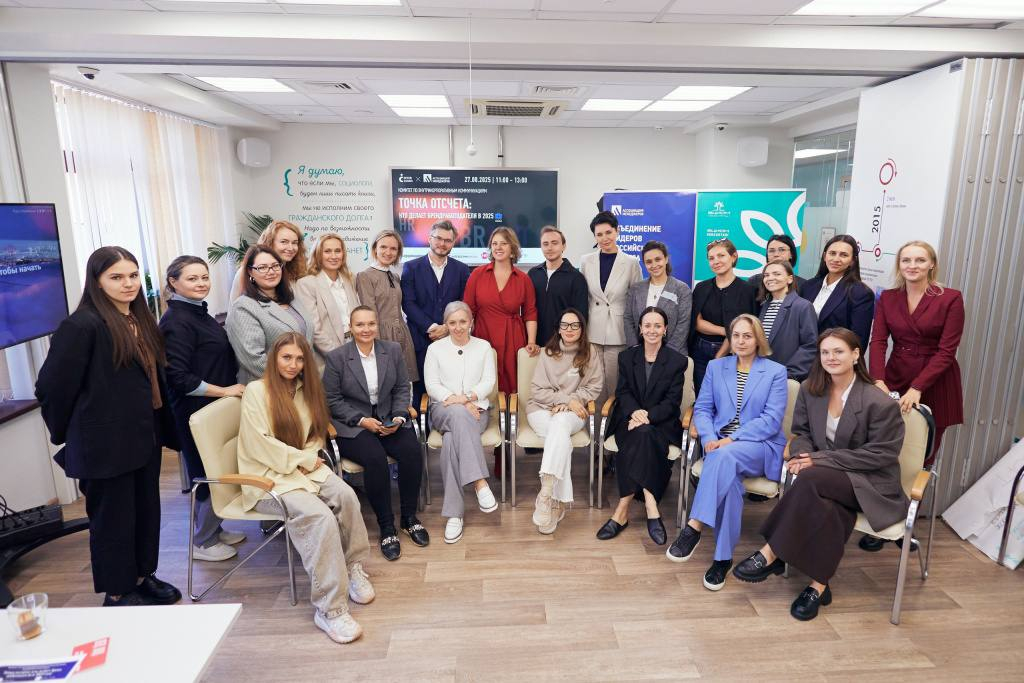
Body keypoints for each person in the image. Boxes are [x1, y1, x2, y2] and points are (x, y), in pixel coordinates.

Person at [36, 246, 181, 607]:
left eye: (133, 275)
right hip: (104, 444)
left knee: (145, 512)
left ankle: (142, 576)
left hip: (143, 436)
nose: (128, 283)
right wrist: (73, 434)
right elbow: (51, 388)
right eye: (116, 277)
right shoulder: (81, 326)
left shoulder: (140, 319)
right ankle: (117, 592)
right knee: (113, 521)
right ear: (97, 282)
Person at [732, 327, 906, 621]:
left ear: (855, 354)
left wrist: (816, 460)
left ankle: (773, 551)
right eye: (825, 352)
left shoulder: (879, 401)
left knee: (811, 478)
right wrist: (803, 455)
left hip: (869, 482)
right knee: (828, 505)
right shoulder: (811, 390)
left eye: (838, 351)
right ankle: (818, 586)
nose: (831, 357)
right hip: (828, 482)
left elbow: (880, 455)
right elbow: (801, 433)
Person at [238, 332, 374, 643]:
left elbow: (314, 434)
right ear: (274, 358)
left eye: (299, 359)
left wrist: (308, 457)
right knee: (320, 517)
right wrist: (301, 459)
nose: (293, 364)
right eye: (287, 357)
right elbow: (259, 443)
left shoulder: (304, 389)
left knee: (346, 496)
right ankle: (330, 609)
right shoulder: (257, 391)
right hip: (268, 477)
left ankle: (353, 567)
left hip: (303, 469)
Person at [666, 315, 788, 592]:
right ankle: (722, 559)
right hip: (720, 447)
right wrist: (710, 438)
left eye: (748, 336)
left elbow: (771, 421)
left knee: (724, 457)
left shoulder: (775, 372)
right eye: (736, 335)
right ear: (730, 339)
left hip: (759, 445)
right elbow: (703, 408)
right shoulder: (716, 366)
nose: (741, 341)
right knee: (729, 482)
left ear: (758, 339)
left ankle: (694, 526)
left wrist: (730, 439)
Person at [862, 241, 964, 553]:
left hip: (936, 381)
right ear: (899, 265)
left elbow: (947, 351)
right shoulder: (888, 297)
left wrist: (918, 387)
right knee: (886, 448)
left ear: (932, 264)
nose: (912, 265)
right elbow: (878, 341)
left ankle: (905, 524)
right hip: (895, 376)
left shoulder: (950, 298)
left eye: (920, 260)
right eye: (906, 260)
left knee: (923, 455)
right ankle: (882, 520)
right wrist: (878, 379)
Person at [159, 256, 247, 563]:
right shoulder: (176, 321)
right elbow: (178, 377)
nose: (201, 283)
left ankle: (214, 529)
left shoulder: (198, 312)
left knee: (220, 469)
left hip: (214, 407)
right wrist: (225, 391)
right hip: (195, 410)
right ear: (173, 282)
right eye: (192, 278)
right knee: (207, 473)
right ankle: (204, 541)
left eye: (204, 277)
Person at [323, 306, 427, 561]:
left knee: (411, 451)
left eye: (371, 323)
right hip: (353, 425)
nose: (366, 329)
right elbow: (332, 400)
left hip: (389, 418)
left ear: (377, 325)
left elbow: (402, 387)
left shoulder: (392, 350)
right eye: (360, 324)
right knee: (375, 458)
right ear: (350, 327)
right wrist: (361, 420)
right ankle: (386, 526)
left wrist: (399, 416)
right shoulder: (337, 357)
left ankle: (409, 518)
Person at [596, 307, 686, 545]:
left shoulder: (677, 361)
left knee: (644, 433)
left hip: (661, 423)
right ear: (640, 328)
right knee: (642, 434)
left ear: (665, 329)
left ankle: (621, 511)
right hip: (629, 419)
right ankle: (651, 506)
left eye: (657, 326)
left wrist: (647, 416)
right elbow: (623, 392)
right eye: (647, 325)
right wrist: (635, 412)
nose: (652, 330)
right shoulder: (627, 357)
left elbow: (672, 402)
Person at [423, 301, 499, 544]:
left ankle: (454, 515)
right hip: (443, 409)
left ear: (471, 323)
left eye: (462, 322)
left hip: (477, 410)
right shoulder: (435, 349)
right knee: (457, 415)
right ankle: (479, 482)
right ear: (446, 324)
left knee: (450, 440)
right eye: (452, 323)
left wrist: (466, 399)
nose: (458, 327)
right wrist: (458, 402)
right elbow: (432, 384)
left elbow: (488, 381)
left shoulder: (483, 347)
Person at [464, 226, 539, 474]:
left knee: (509, 396)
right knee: (487, 394)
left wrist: (531, 341)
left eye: (503, 243)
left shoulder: (523, 279)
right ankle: (481, 452)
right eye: (494, 243)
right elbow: (468, 311)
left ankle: (505, 454)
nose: (498, 247)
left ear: (512, 248)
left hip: (512, 340)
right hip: (483, 340)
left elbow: (530, 312)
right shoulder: (477, 274)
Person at [527, 309, 603, 535]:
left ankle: (545, 493)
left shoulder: (590, 353)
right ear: (558, 329)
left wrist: (571, 402)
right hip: (541, 411)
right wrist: (564, 400)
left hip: (573, 413)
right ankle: (556, 503)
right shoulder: (547, 353)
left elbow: (594, 387)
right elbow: (537, 390)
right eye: (565, 325)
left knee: (560, 425)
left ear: (582, 329)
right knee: (560, 438)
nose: (569, 329)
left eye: (575, 325)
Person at [400, 220, 471, 408]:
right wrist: (431, 327)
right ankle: (421, 426)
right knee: (421, 392)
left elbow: (464, 304)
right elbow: (408, 303)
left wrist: (447, 328)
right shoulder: (411, 267)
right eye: (438, 238)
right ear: (429, 238)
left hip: (453, 339)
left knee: (451, 388)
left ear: (453, 243)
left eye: (448, 240)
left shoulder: (462, 270)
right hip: (420, 340)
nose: (442, 244)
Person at [580, 211, 643, 417]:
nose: (604, 238)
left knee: (616, 385)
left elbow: (636, 300)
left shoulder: (631, 262)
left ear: (617, 231)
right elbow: (584, 297)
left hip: (618, 332)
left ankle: (616, 430)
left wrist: (636, 335)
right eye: (599, 234)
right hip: (593, 331)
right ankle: (596, 430)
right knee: (594, 385)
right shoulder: (586, 261)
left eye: (608, 232)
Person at [226, 245, 314, 384]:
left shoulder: (292, 299)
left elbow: (307, 341)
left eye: (275, 266)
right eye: (262, 267)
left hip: (301, 381)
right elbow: (254, 359)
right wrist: (290, 380)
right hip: (270, 385)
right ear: (250, 271)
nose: (271, 271)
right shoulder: (243, 307)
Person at [689, 239, 758, 397]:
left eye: (721, 255)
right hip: (700, 352)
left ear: (733, 257)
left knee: (728, 398)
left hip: (733, 353)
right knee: (702, 396)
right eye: (711, 258)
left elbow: (744, 329)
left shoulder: (748, 291)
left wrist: (718, 357)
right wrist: (726, 330)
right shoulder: (701, 288)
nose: (716, 261)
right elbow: (697, 323)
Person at [355, 229, 419, 383]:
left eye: (393, 248)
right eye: (383, 247)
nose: (388, 252)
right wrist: (375, 344)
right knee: (386, 383)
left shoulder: (395, 276)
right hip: (382, 335)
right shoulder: (365, 276)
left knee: (404, 384)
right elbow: (369, 314)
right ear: (375, 248)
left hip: (402, 334)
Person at [294, 232, 361, 371]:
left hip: (356, 347)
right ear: (318, 254)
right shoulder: (307, 284)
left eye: (337, 251)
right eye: (327, 251)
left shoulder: (350, 279)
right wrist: (339, 356)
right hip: (328, 355)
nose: (334, 256)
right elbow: (314, 329)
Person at [799, 235, 874, 348]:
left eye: (844, 255)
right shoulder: (808, 286)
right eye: (832, 253)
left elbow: (858, 341)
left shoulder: (861, 293)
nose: (836, 259)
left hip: (832, 356)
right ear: (825, 256)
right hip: (801, 354)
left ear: (852, 261)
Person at [624, 240, 691, 356]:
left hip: (673, 354)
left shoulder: (682, 289)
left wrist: (666, 354)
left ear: (666, 259)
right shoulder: (636, 289)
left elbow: (683, 324)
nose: (654, 265)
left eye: (658, 259)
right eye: (649, 262)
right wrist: (635, 347)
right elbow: (628, 318)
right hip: (640, 354)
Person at [527, 225, 589, 347]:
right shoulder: (533, 274)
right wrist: (530, 340)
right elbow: (527, 310)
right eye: (545, 244)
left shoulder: (576, 278)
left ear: (563, 246)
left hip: (564, 344)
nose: (550, 248)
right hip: (535, 344)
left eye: (554, 243)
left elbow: (581, 316)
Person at [758, 261, 818, 381]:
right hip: (761, 373)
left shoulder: (803, 306)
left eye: (777, 274)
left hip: (786, 376)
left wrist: (789, 373)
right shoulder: (764, 305)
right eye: (766, 275)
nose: (770, 278)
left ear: (790, 279)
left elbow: (810, 345)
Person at [229, 219, 307, 302]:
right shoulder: (247, 271)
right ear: (270, 242)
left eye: (294, 243)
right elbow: (235, 306)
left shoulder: (297, 269)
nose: (291, 248)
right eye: (284, 242)